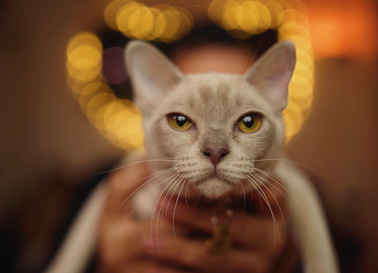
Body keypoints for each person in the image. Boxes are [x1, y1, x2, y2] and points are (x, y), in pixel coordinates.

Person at [96, 25, 301, 273]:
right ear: (153, 94)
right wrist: (104, 265)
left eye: (248, 122)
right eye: (181, 121)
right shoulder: (102, 184)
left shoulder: (299, 199)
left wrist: (289, 261)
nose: (215, 150)